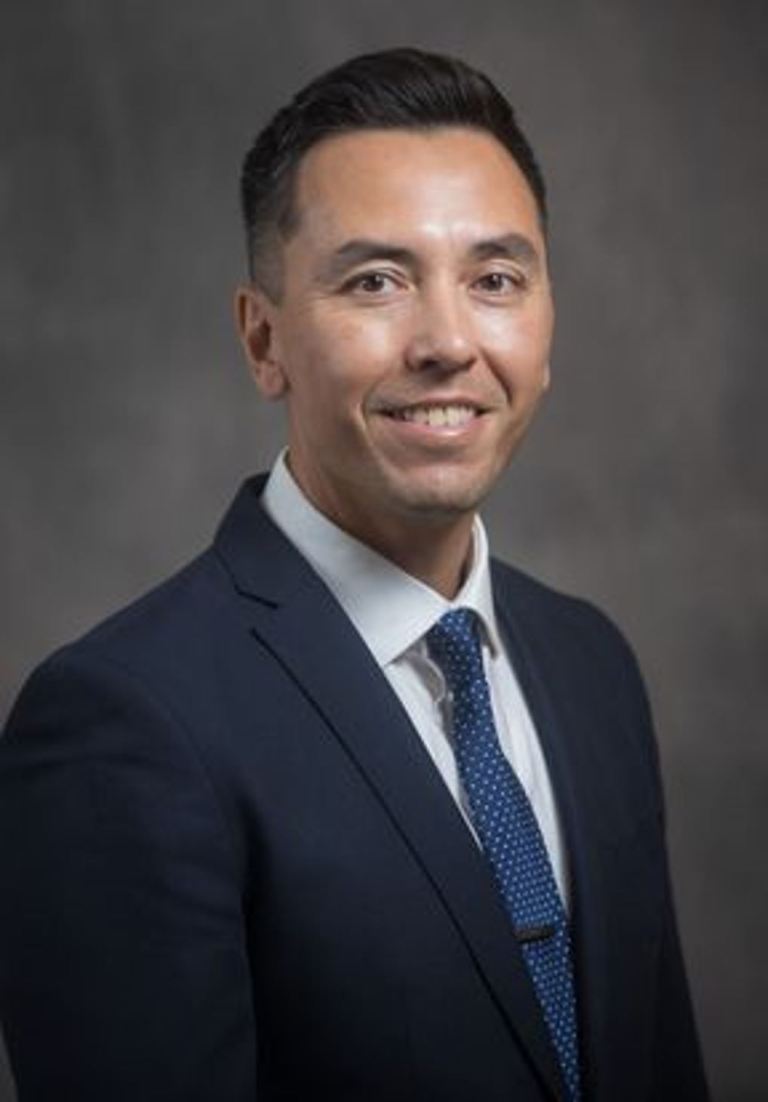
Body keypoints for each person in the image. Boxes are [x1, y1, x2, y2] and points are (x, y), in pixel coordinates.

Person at [0, 48, 709, 1102]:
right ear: (262, 338)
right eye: (376, 280)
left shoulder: (591, 661)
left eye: (496, 279)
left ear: (548, 323)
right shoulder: (121, 724)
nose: (447, 341)